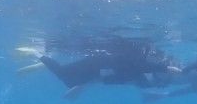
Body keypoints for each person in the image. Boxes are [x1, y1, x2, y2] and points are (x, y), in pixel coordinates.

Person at [23, 37, 181, 99]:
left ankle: (42, 59)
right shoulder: (137, 68)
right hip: (97, 64)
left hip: (99, 69)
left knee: (69, 80)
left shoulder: (138, 78)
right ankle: (37, 53)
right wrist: (166, 67)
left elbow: (107, 78)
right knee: (65, 76)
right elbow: (139, 66)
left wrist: (81, 87)